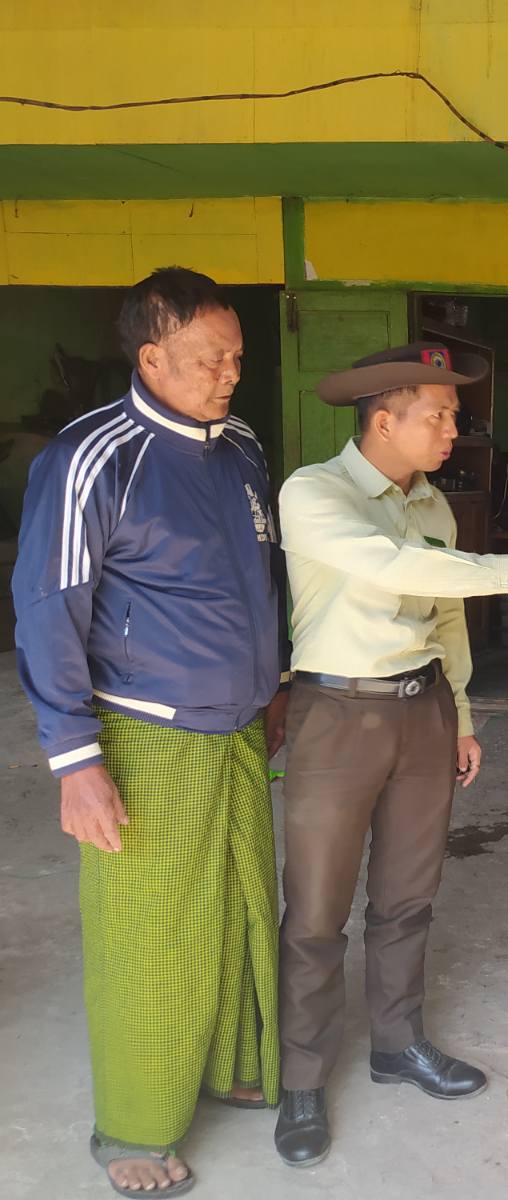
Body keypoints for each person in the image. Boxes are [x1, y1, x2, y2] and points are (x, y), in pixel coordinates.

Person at [272, 343, 508, 1166]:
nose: (455, 429)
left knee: (407, 896)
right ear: (384, 421)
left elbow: (447, 618)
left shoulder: (435, 506)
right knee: (316, 909)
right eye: (440, 415)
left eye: (454, 416)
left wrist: (459, 717)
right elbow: (392, 566)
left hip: (421, 708)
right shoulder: (314, 492)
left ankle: (396, 1042)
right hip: (337, 713)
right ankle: (303, 1078)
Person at [12, 266, 290, 1197]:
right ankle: (134, 1125)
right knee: (149, 932)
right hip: (144, 734)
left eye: (237, 357)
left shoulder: (240, 446)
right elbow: (47, 610)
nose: (230, 374)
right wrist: (75, 760)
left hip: (240, 726)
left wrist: (276, 682)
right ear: (151, 358)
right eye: (210, 359)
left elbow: (263, 577)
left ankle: (230, 1067)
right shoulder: (91, 458)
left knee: (237, 905)